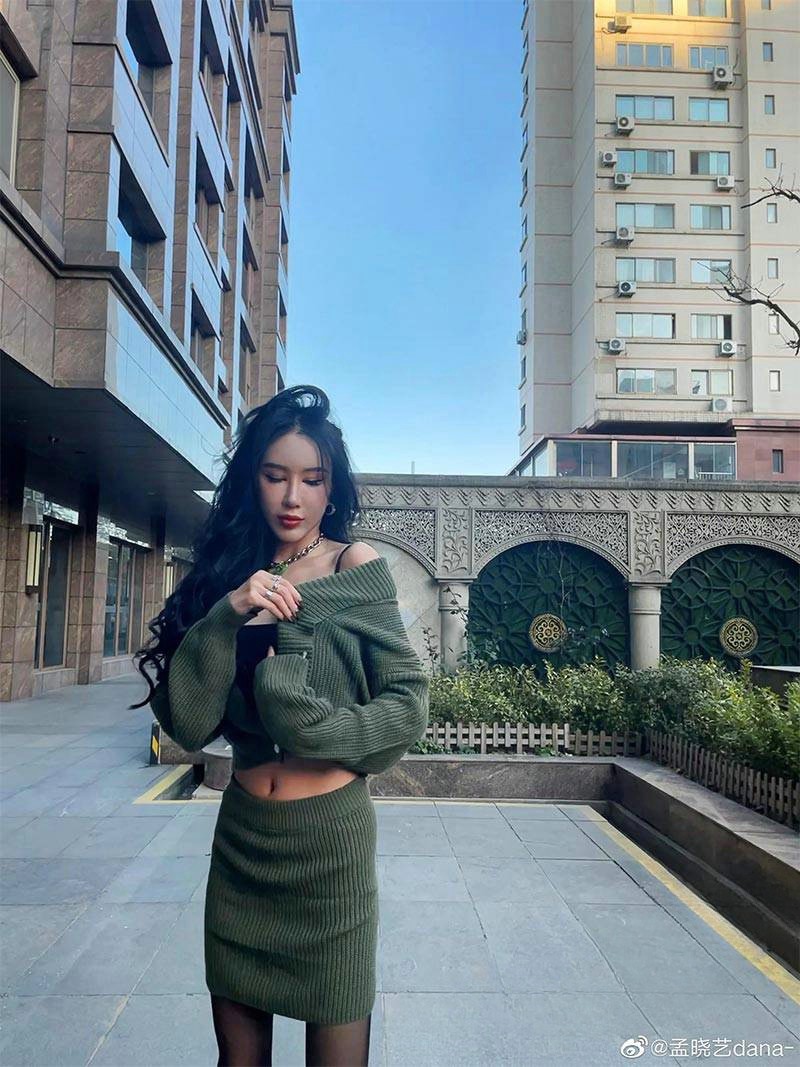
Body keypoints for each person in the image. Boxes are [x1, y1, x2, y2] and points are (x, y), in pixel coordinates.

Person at [131, 385, 430, 1066]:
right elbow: (188, 723)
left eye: (312, 479)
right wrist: (225, 616)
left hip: (330, 847)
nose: (293, 497)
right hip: (243, 845)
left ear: (332, 488)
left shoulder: (354, 566)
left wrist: (305, 723)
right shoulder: (225, 575)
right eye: (275, 476)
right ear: (252, 481)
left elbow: (407, 705)